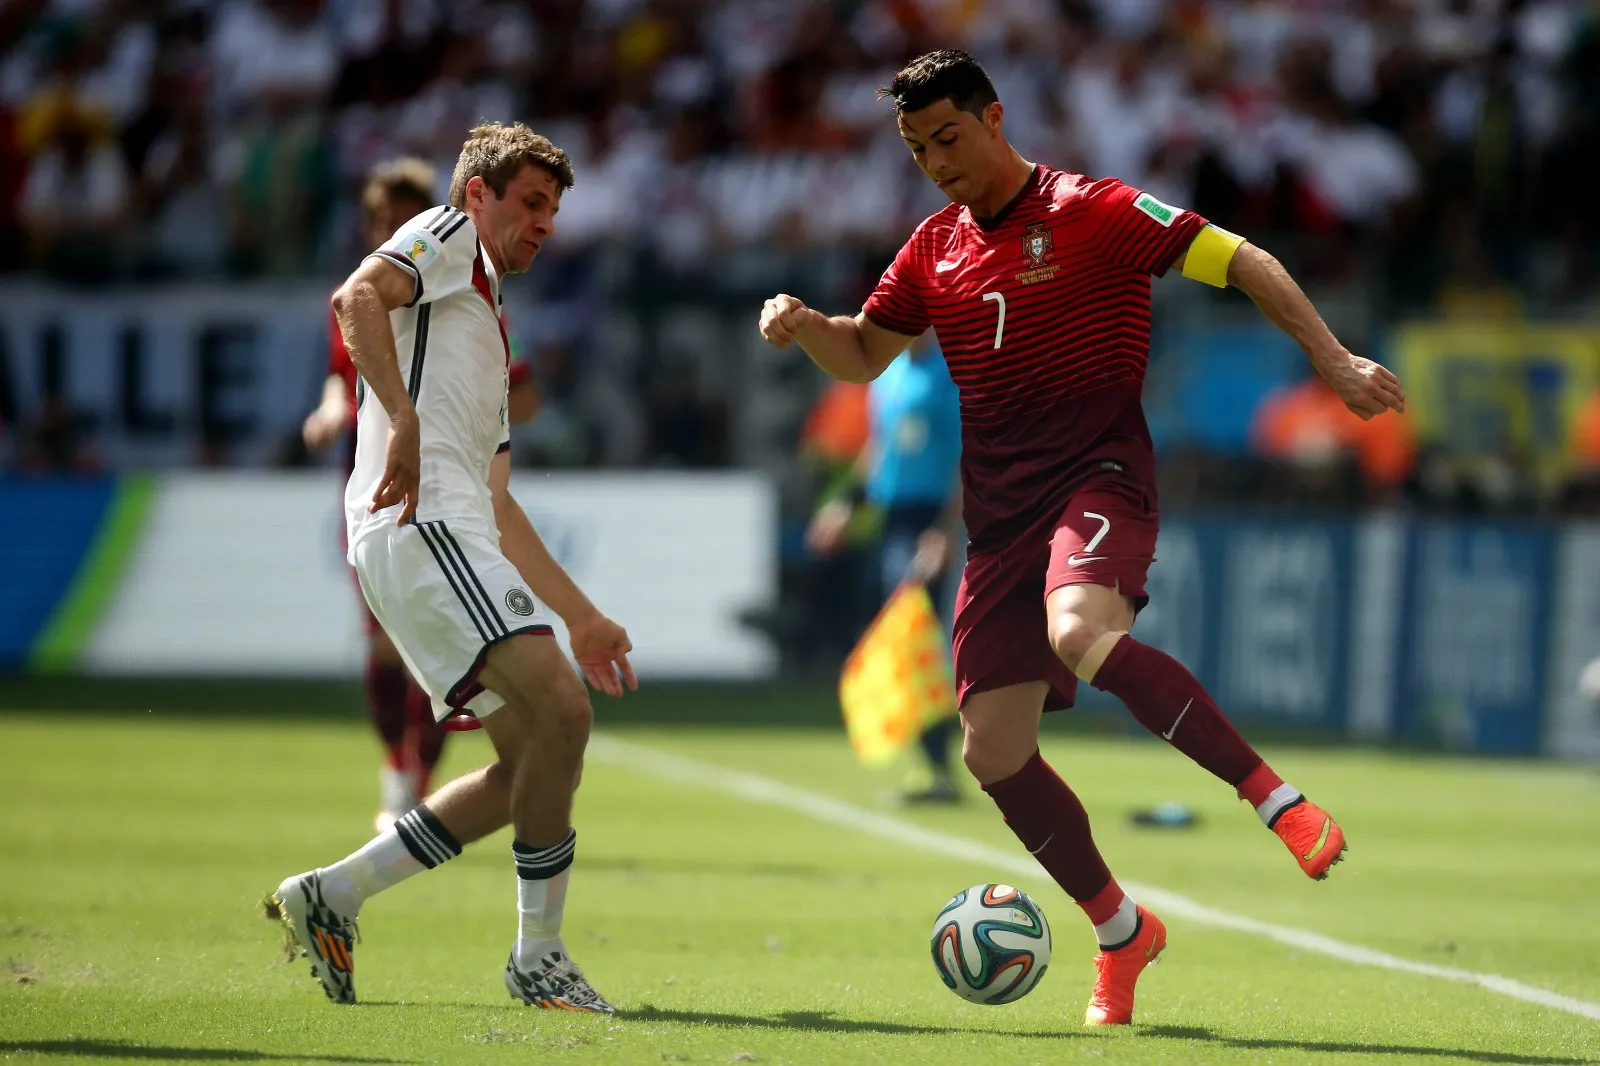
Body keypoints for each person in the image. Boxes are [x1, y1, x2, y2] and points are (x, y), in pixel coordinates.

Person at [758, 50, 1406, 1027]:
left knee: (1078, 631)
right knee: (991, 750)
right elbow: (861, 353)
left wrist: (1332, 358)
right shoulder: (932, 248)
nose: (935, 161)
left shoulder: (1093, 209)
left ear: (992, 118)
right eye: (915, 147)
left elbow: (1244, 261)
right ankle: (1119, 931)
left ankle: (1275, 799)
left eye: (946, 137)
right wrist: (807, 325)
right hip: (1000, 521)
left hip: (1099, 479)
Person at [267, 122, 636, 1014]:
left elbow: (501, 505)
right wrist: (400, 419)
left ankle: (334, 894)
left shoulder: (484, 322)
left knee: (530, 765)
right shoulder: (448, 234)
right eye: (531, 202)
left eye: (554, 209)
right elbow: (354, 296)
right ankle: (538, 956)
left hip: (452, 527)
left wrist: (581, 615)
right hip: (423, 524)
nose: (545, 222)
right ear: (479, 194)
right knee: (563, 711)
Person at [302, 157, 541, 833]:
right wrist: (333, 412)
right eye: (385, 220)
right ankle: (397, 772)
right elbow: (337, 372)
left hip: (442, 484)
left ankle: (416, 788)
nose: (395, 229)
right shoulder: (362, 292)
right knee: (387, 647)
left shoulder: (465, 285)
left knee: (437, 654)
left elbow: (522, 389)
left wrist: (462, 411)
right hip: (372, 477)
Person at [806, 329, 964, 802]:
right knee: (904, 633)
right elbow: (881, 449)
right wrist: (846, 504)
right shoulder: (888, 375)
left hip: (928, 516)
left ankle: (940, 763)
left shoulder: (949, 375)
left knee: (915, 633)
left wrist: (944, 531)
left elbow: (967, 458)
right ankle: (931, 760)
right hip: (891, 520)